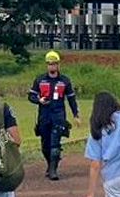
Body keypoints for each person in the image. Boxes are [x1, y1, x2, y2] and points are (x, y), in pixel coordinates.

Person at [27, 51, 81, 181]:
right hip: (44, 115)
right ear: (47, 65)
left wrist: (76, 115)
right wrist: (39, 100)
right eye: (50, 64)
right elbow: (31, 96)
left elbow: (71, 99)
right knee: (45, 144)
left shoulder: (65, 81)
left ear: (58, 65)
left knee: (55, 144)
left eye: (54, 64)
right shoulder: (40, 80)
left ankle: (53, 170)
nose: (52, 66)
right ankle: (49, 164)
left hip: (58, 115)